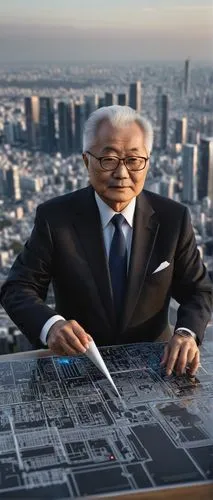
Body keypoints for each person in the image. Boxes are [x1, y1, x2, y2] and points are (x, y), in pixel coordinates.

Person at [0, 105, 212, 377]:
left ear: (147, 161)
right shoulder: (56, 218)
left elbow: (199, 290)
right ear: (87, 161)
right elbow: (17, 288)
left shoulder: (173, 218)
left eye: (134, 160)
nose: (122, 173)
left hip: (155, 367)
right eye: (109, 159)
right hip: (78, 365)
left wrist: (186, 333)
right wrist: (51, 325)